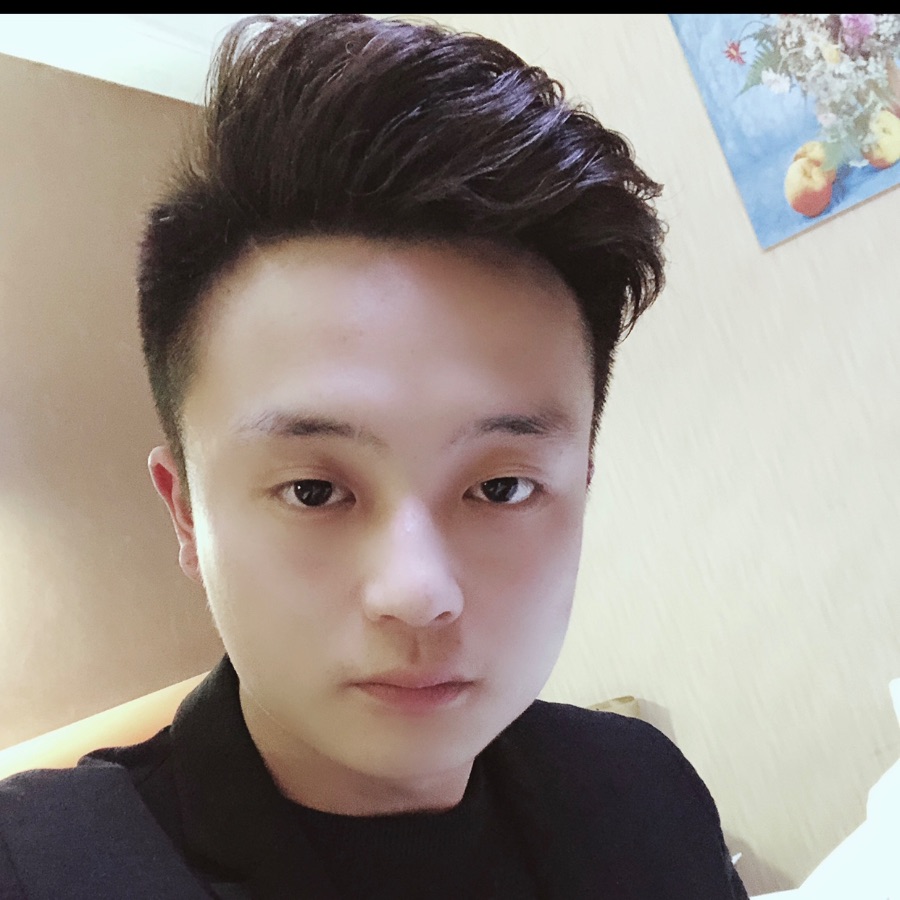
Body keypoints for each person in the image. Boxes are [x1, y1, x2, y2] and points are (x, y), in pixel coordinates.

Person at [0, 14, 749, 899]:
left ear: (581, 486)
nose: (419, 594)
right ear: (186, 511)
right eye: (314, 491)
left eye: (501, 486)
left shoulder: (646, 789)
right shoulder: (39, 866)